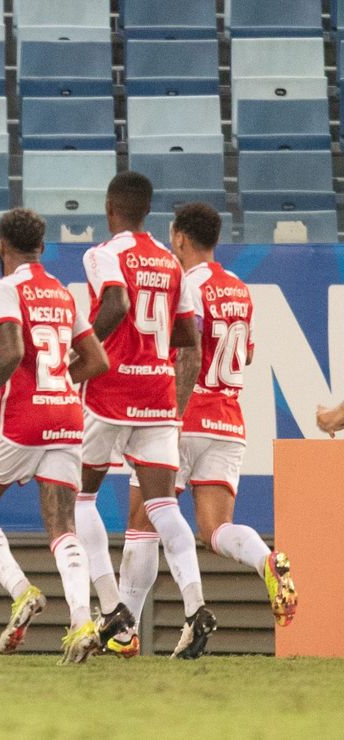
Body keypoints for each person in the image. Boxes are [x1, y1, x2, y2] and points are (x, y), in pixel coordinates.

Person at [117, 203, 296, 630]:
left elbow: (191, 347)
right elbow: (246, 354)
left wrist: (170, 415)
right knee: (215, 529)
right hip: (228, 422)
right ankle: (265, 560)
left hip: (184, 417)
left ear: (179, 238)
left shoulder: (186, 283)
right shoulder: (238, 288)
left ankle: (123, 632)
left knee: (142, 521)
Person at [0, 209, 110, 664]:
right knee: (63, 528)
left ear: (2, 246)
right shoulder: (63, 294)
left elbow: (13, 350)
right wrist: (61, 380)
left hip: (21, 418)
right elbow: (97, 360)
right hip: (67, 415)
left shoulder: (3, 288)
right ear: (41, 247)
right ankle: (82, 621)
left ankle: (22, 591)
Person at [75, 172, 214, 660]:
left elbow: (115, 302)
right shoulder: (172, 264)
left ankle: (112, 606)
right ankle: (196, 607)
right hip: (158, 393)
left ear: (111, 208)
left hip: (109, 391)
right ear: (148, 210)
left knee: (80, 498)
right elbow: (187, 343)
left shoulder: (103, 254)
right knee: (164, 508)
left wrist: (84, 349)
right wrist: (171, 404)